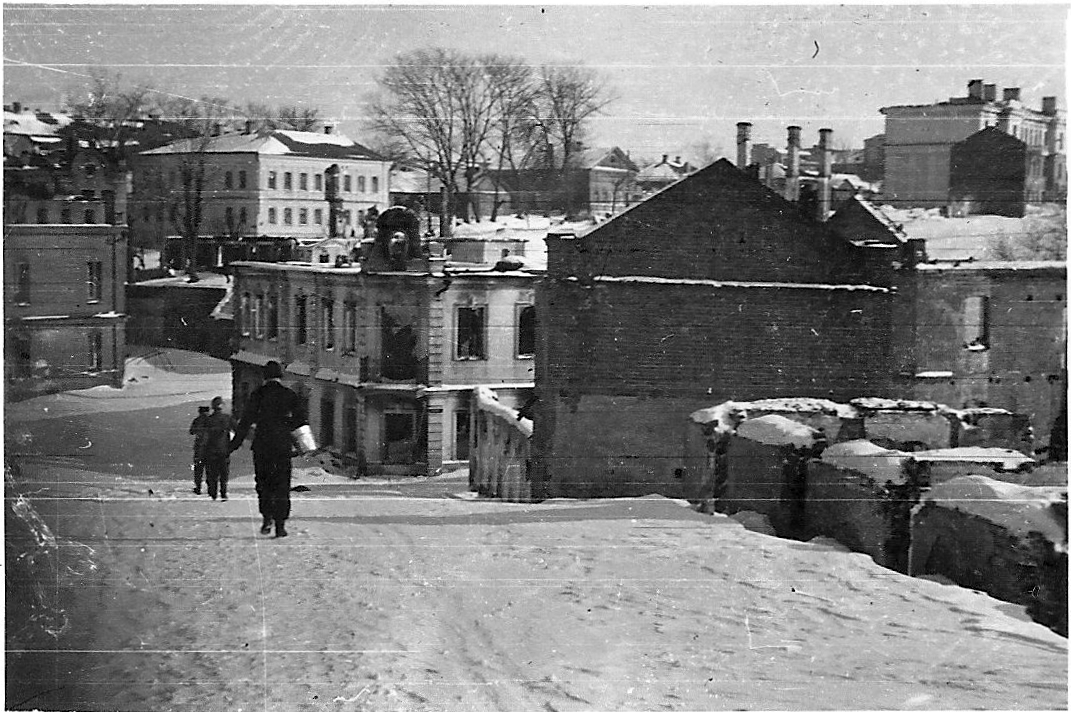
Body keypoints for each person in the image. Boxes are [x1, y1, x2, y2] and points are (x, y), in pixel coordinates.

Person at [230, 361, 307, 538]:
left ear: (265, 376)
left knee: (263, 484)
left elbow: (245, 422)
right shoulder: (289, 395)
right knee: (281, 485)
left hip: (262, 447)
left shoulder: (257, 395)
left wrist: (233, 445)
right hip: (282, 448)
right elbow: (301, 421)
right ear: (280, 375)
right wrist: (304, 446)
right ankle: (280, 525)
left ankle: (266, 518)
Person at [203, 396, 237, 501]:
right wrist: (232, 445)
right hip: (224, 449)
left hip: (210, 450)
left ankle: (213, 492)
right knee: (224, 473)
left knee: (212, 473)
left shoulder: (208, 420)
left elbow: (203, 435)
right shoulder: (227, 418)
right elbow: (237, 431)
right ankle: (223, 492)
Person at [188, 406, 210, 494]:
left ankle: (198, 487)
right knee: (210, 469)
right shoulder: (211, 420)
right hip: (210, 448)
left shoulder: (197, 420)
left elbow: (191, 431)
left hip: (199, 448)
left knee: (198, 469)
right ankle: (211, 488)